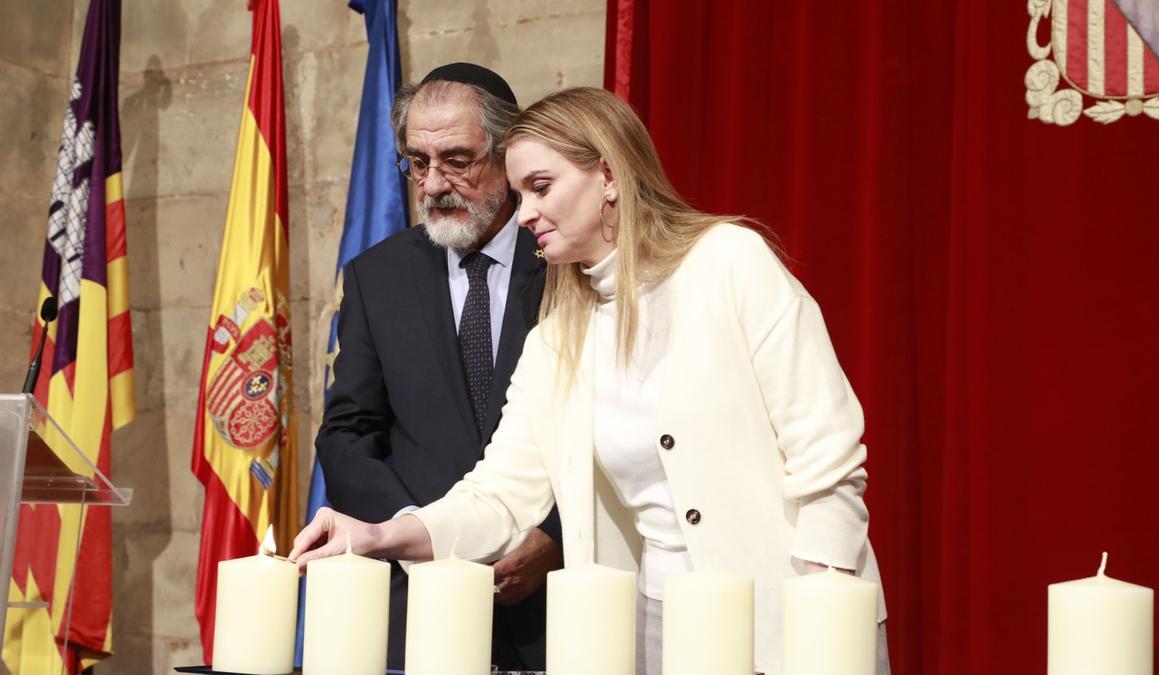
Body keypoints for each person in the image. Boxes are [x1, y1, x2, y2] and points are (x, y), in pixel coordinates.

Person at [296, 86, 889, 675]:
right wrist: (378, 535)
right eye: (521, 191)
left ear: (607, 174)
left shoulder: (730, 263)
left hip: (789, 619)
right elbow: (498, 493)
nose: (523, 212)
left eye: (541, 187)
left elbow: (827, 456)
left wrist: (822, 607)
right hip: (651, 624)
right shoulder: (557, 336)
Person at [315, 63, 562, 671]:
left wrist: (554, 538)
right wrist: (415, 533)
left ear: (509, 155)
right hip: (422, 600)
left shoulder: (567, 262)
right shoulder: (377, 277)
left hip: (561, 598)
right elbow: (347, 434)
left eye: (456, 160)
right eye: (417, 163)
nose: (431, 186)